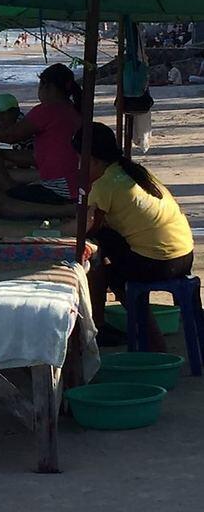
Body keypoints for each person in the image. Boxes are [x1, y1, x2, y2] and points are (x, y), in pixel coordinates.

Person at [74, 123, 193, 351]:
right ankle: (103, 325)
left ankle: (150, 340)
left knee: (105, 259)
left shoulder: (105, 184)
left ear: (93, 160)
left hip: (160, 262)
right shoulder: (133, 171)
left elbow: (87, 227)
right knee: (107, 246)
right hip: (183, 256)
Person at [0, 63, 81, 205]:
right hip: (72, 184)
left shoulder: (47, 110)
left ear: (48, 87)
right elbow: (39, 156)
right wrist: (1, 153)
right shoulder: (71, 110)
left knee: (2, 197)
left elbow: (10, 136)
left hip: (60, 188)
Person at [0, 93, 35, 168]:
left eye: (3, 113)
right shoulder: (22, 122)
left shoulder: (23, 128)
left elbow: (26, 163)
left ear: (15, 111)